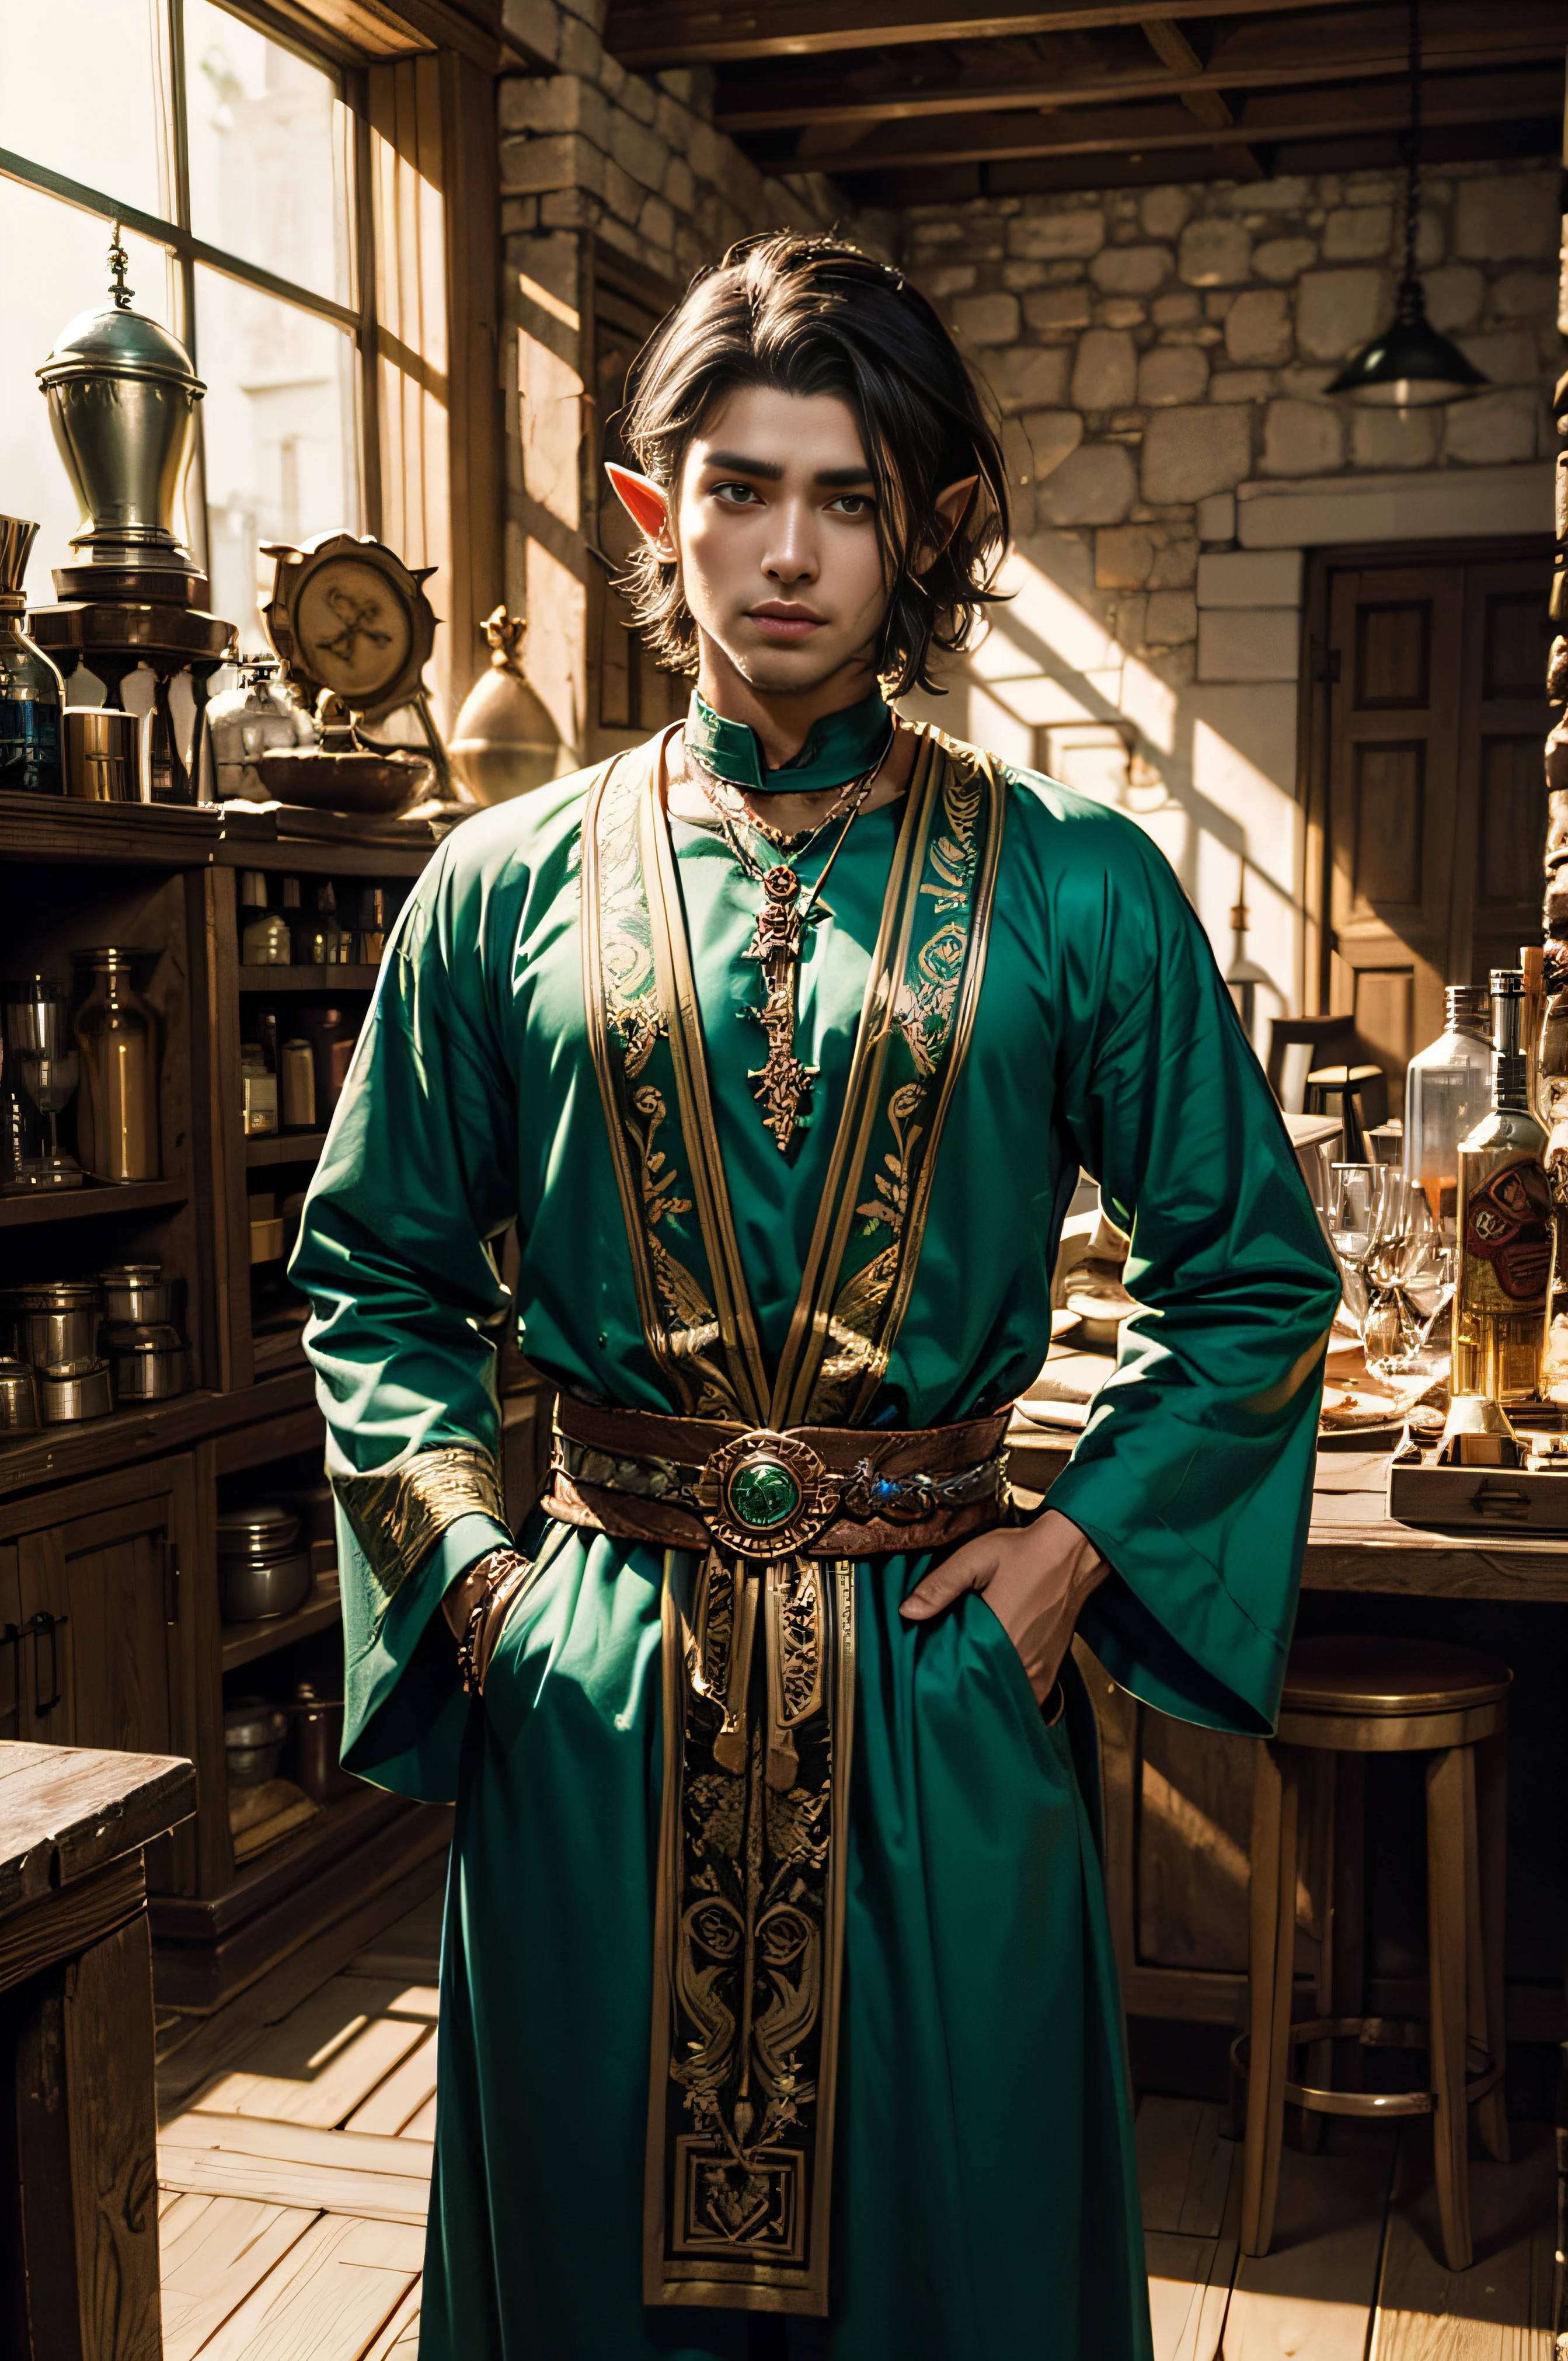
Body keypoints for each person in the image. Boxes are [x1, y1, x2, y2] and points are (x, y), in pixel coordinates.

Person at [292, 231, 1341, 2361]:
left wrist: (1073, 1551)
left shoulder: (1075, 879)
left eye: (847, 498)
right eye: (742, 488)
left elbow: (1246, 1268)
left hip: (942, 1704)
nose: (787, 553)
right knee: (592, 2272)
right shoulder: (496, 885)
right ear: (654, 514)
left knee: (954, 2269)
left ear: (921, 532)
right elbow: (373, 1271)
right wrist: (484, 1589)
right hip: (598, 1694)